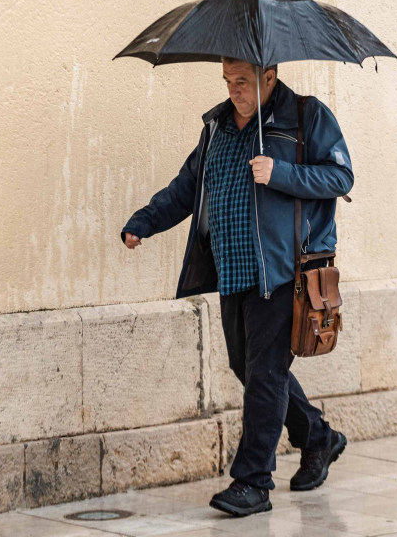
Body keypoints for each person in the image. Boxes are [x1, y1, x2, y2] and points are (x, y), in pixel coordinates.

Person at [120, 58, 353, 517]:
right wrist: (144, 222)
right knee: (249, 368)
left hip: (283, 272)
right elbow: (187, 188)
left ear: (269, 77)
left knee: (265, 375)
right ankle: (318, 437)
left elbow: (340, 177)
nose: (234, 91)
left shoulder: (306, 116)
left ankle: (253, 483)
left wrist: (279, 172)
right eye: (228, 81)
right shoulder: (217, 127)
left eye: (242, 82)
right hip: (232, 268)